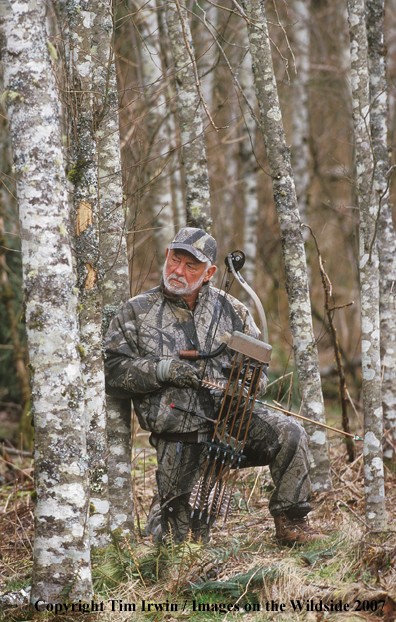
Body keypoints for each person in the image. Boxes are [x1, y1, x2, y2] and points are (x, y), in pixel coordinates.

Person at [104, 227, 326, 546]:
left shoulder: (233, 310)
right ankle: (166, 512)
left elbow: (257, 367)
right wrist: (162, 369)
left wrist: (245, 388)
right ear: (167, 256)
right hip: (179, 437)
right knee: (179, 541)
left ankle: (292, 522)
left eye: (191, 265)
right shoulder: (136, 312)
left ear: (209, 273)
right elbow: (111, 371)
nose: (178, 270)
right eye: (175, 259)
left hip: (232, 424)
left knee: (290, 434)